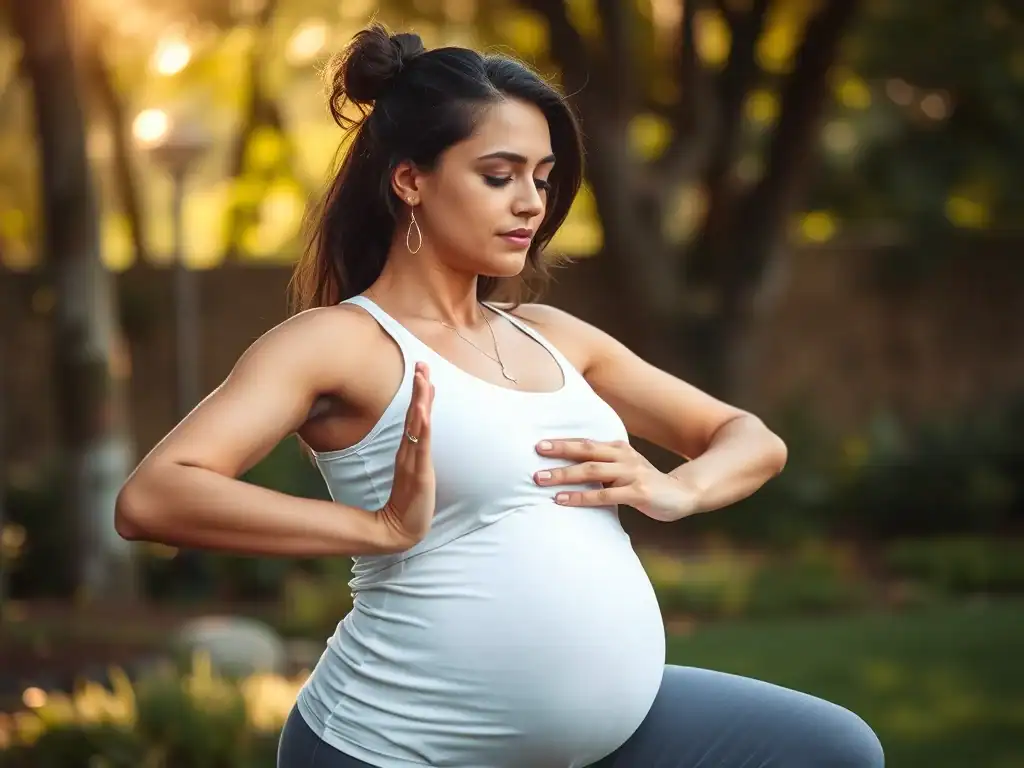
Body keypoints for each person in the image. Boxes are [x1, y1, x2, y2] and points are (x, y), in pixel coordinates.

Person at [114, 23, 885, 768]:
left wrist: (674, 488)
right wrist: (376, 527)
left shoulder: (554, 333)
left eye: (543, 179)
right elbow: (154, 497)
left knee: (829, 750)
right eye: (499, 175)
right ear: (410, 179)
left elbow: (749, 436)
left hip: (605, 734)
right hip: (392, 749)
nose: (531, 204)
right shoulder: (339, 342)